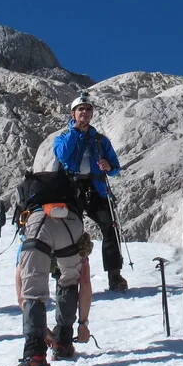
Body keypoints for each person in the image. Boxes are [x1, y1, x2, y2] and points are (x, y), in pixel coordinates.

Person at [9, 165, 87, 366]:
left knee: (34, 288)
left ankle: (35, 357)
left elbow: (22, 281)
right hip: (72, 225)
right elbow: (84, 282)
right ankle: (63, 343)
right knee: (69, 279)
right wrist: (83, 324)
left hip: (40, 223)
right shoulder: (70, 198)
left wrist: (39, 329)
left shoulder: (28, 214)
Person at [53, 92, 127, 291]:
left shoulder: (101, 141)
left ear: (92, 114)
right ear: (73, 114)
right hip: (71, 188)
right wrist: (75, 132)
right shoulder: (62, 138)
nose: (84, 112)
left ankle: (114, 274)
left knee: (110, 226)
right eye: (80, 109)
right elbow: (62, 154)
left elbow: (116, 167)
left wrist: (108, 167)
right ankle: (63, 274)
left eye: (88, 109)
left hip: (96, 188)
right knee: (65, 231)